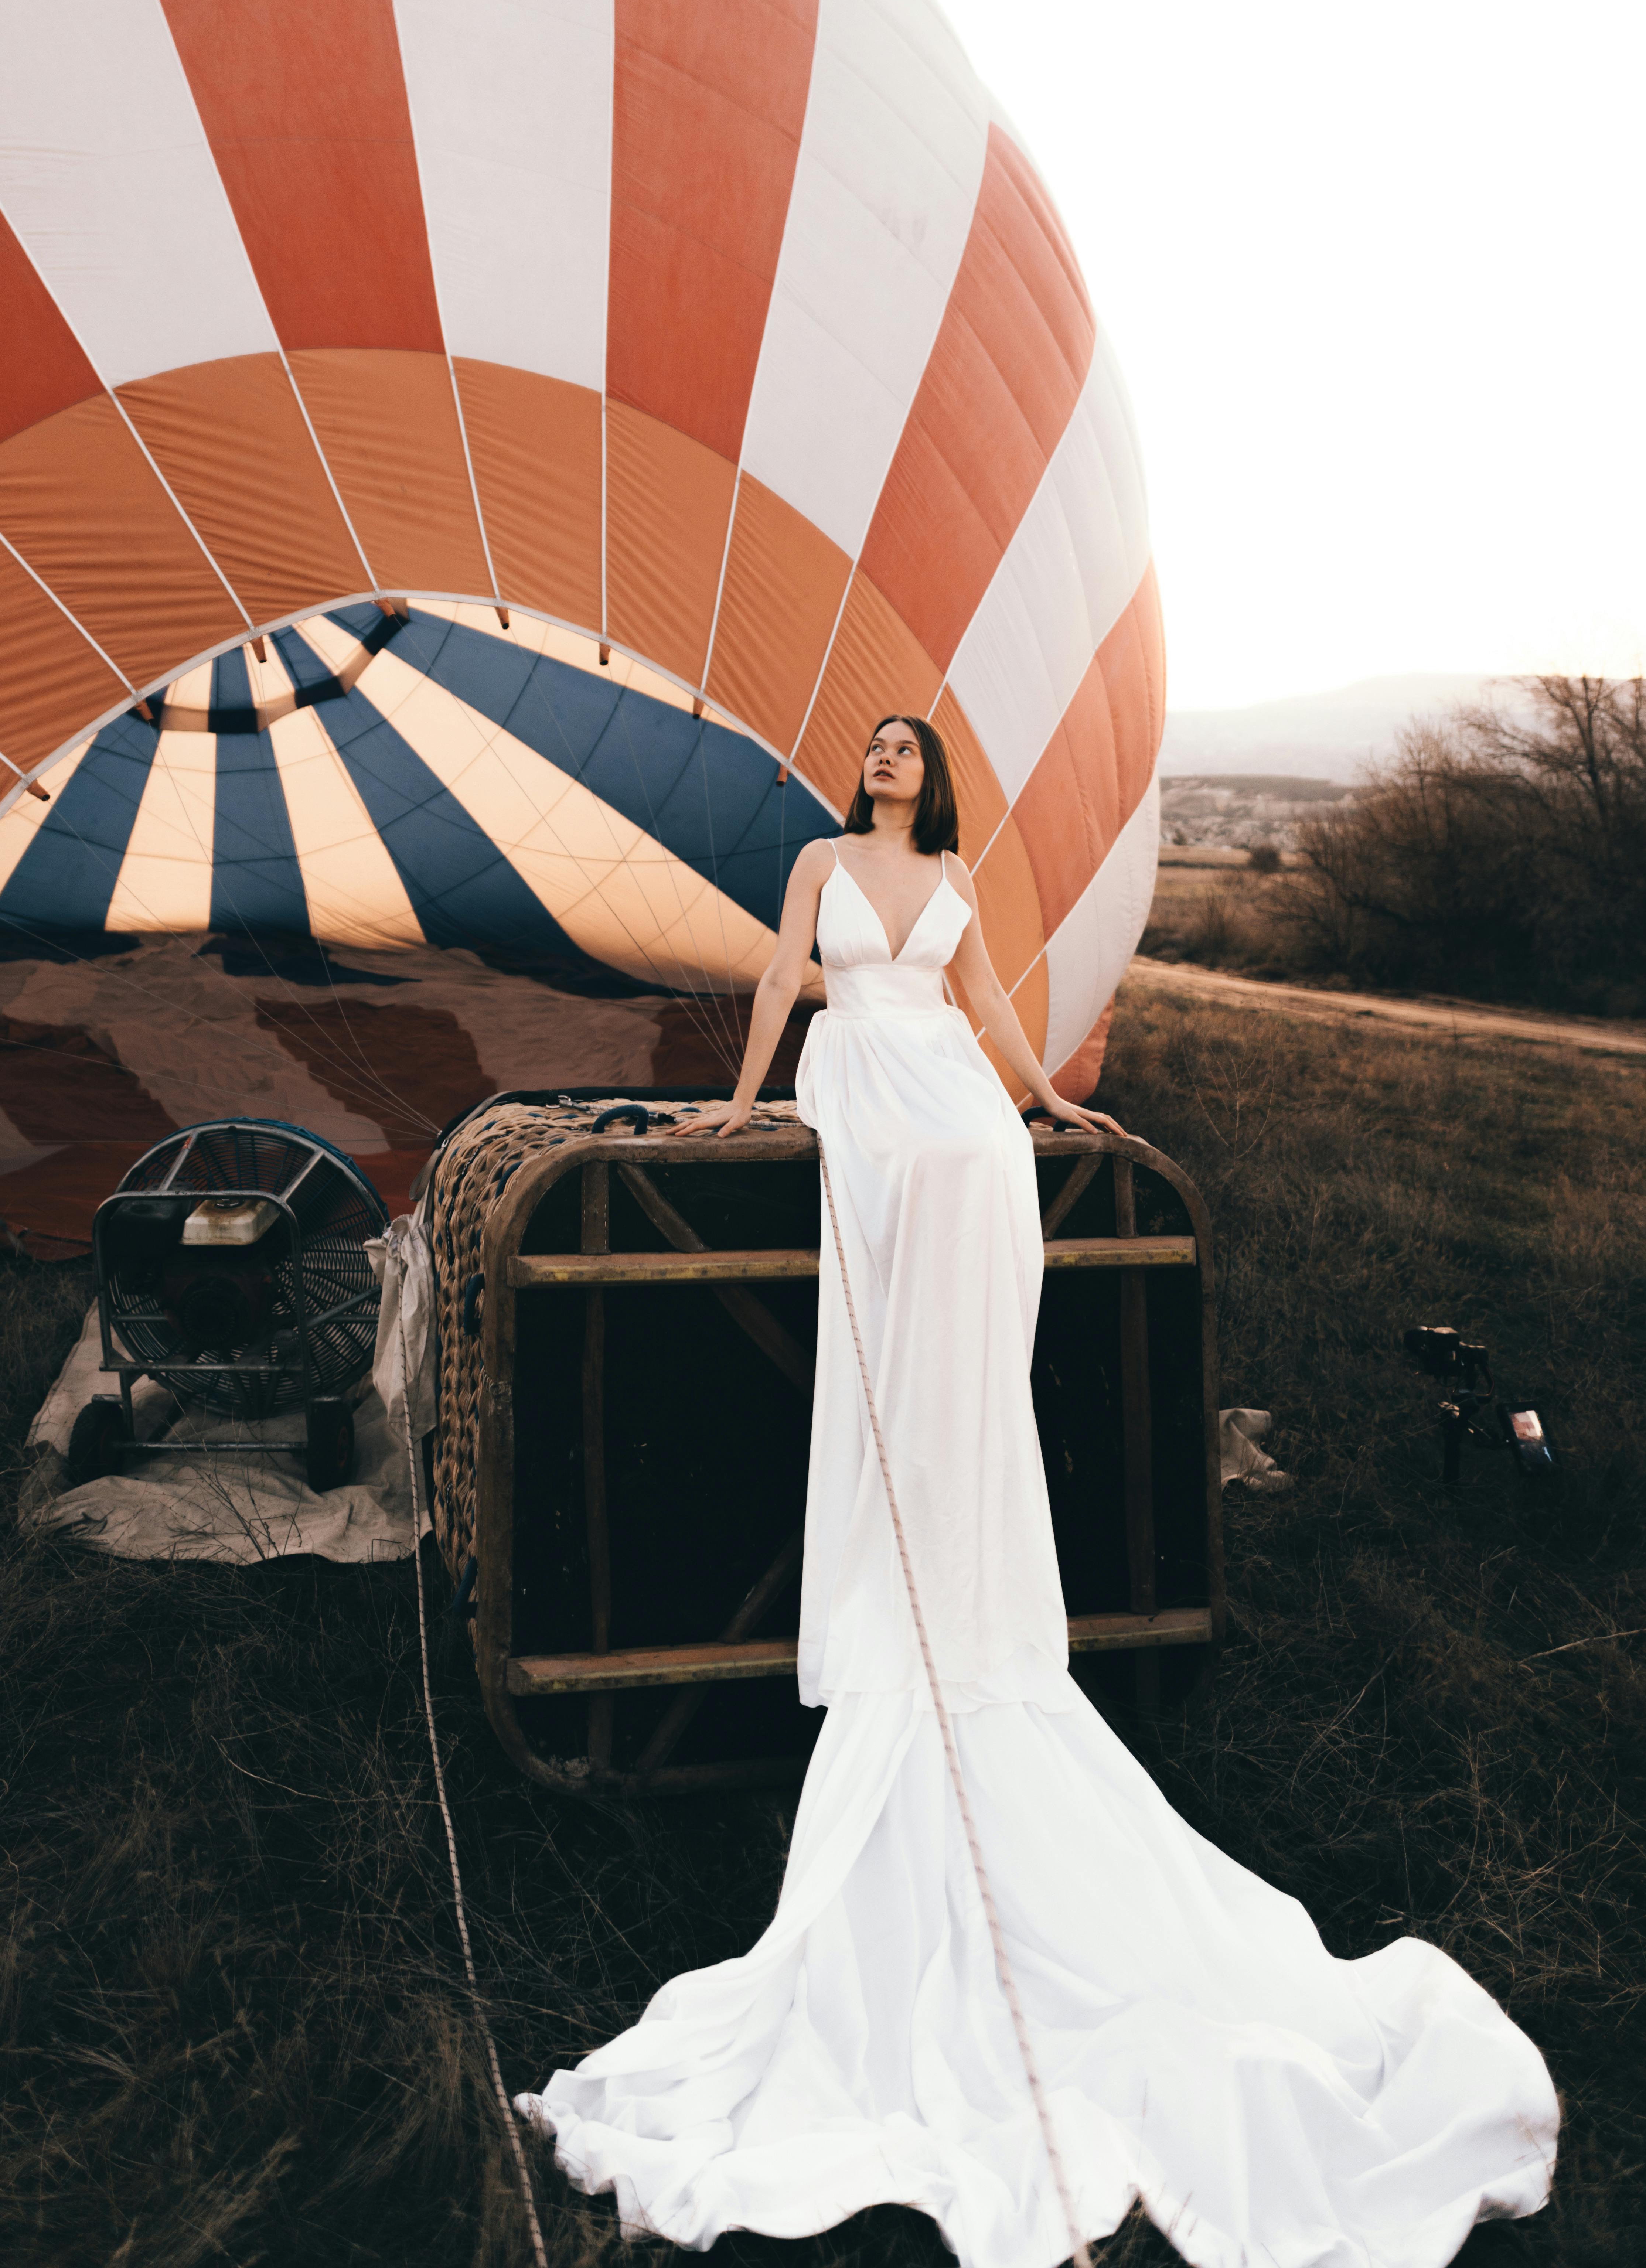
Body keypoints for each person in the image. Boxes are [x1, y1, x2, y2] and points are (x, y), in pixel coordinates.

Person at [521, 716, 1558, 2266]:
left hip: (951, 1095)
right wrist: (749, 1100)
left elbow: (989, 993)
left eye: (900, 748)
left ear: (927, 776)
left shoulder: (952, 871)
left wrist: (1045, 1099)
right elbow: (778, 981)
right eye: (869, 746)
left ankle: (962, 1521)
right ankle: (902, 1546)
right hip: (858, 1084)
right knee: (889, 1293)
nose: (880, 761)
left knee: (972, 1271)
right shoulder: (818, 863)